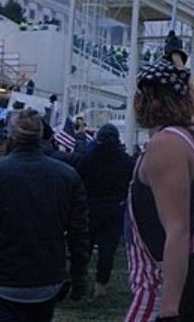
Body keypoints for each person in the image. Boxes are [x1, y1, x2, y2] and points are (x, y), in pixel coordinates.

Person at [0, 109, 90, 320]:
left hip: (2, 280)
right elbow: (79, 232)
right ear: (41, 135)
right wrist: (79, 275)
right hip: (46, 281)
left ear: (11, 136)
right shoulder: (67, 176)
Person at [124, 60, 194, 321]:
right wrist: (181, 71)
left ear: (149, 100)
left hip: (160, 293)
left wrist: (168, 312)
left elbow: (177, 231)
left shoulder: (166, 145)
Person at [74, 122, 133, 299]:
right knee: (108, 249)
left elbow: (78, 180)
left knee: (85, 246)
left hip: (91, 206)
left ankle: (80, 281)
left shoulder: (88, 158)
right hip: (115, 207)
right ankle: (101, 285)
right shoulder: (126, 161)